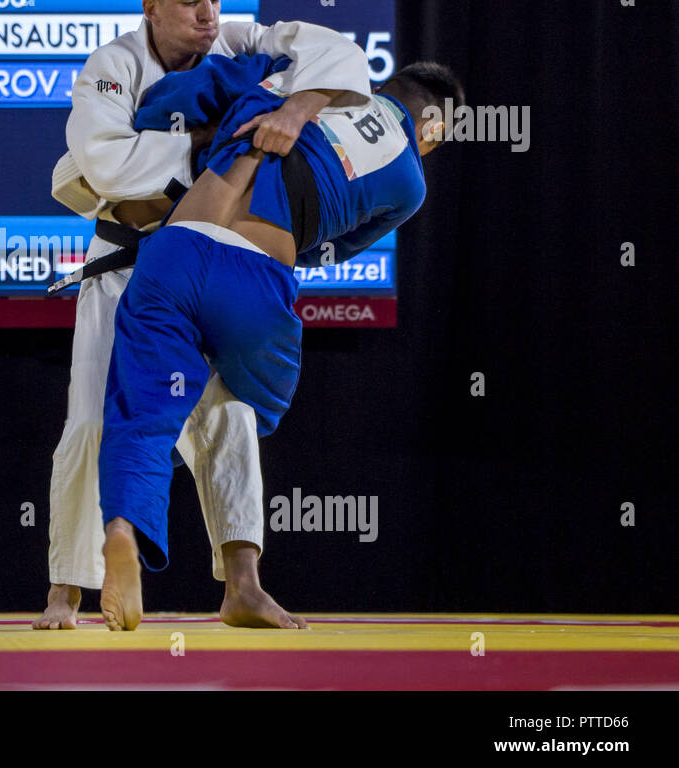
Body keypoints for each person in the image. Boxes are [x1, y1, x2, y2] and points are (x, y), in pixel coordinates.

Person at [36, 0, 372, 630]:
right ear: (152, 7)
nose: (208, 15)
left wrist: (293, 108)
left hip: (210, 262)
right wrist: (218, 138)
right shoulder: (112, 66)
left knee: (232, 415)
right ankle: (66, 593)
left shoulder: (242, 41)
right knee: (96, 421)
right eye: (190, 2)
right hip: (128, 265)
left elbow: (341, 53)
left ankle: (242, 586)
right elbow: (104, 164)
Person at [96, 59, 464, 630]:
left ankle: (123, 528)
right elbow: (334, 249)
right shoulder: (410, 180)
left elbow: (194, 89)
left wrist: (152, 123)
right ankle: (242, 585)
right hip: (254, 282)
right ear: (435, 128)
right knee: (239, 411)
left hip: (173, 252)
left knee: (141, 412)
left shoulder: (295, 84)